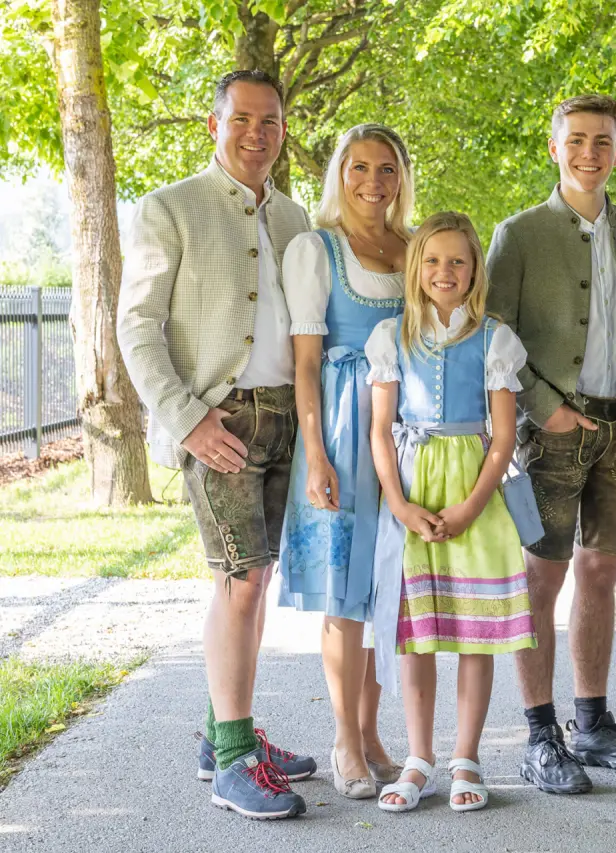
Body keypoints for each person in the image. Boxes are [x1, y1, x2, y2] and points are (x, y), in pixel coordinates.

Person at [118, 69, 316, 819]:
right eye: (242, 120)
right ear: (214, 124)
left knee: (255, 578)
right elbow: (136, 328)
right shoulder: (168, 209)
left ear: (283, 131)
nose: (256, 134)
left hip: (286, 419)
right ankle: (234, 761)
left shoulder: (297, 220)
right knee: (239, 579)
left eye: (270, 122)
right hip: (218, 420)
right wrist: (186, 418)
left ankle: (220, 732)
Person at [487, 94, 616, 794]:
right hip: (550, 435)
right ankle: (539, 734)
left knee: (601, 572)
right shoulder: (520, 233)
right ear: (554, 147)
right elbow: (495, 337)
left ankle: (592, 723)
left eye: (603, 142)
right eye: (578, 140)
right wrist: (544, 408)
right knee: (542, 576)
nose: (590, 152)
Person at [367, 212, 536, 814]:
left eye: (457, 261)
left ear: (474, 271)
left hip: (475, 491)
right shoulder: (391, 337)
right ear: (416, 268)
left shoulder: (495, 339)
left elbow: (504, 438)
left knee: (475, 633)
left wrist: (470, 506)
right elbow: (380, 431)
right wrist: (399, 503)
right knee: (417, 636)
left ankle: (467, 756)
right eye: (433, 260)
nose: (445, 271)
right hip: (414, 485)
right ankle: (418, 757)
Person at [276, 123, 412, 799]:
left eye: (386, 168)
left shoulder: (414, 249)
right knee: (344, 589)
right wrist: (316, 454)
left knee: (389, 582)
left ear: (400, 177)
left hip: (405, 426)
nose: (373, 181)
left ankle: (374, 728)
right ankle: (345, 739)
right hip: (341, 421)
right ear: (340, 173)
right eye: (359, 167)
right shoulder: (316, 249)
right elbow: (305, 362)